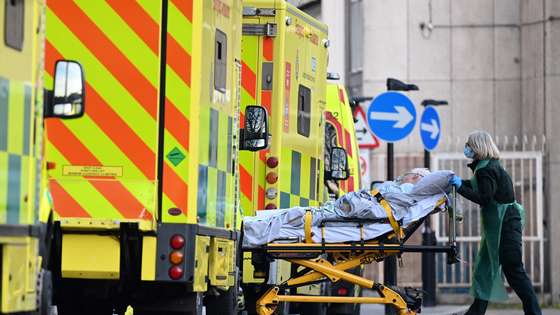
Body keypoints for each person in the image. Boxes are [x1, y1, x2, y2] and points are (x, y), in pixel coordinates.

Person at [449, 131, 541, 315]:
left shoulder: (486, 169)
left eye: (469, 144)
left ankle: (534, 312)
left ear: (477, 147)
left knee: (514, 271)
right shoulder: (488, 166)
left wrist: (460, 186)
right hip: (503, 227)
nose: (466, 148)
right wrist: (460, 184)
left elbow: (484, 197)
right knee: (485, 270)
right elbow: (481, 188)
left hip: (505, 228)